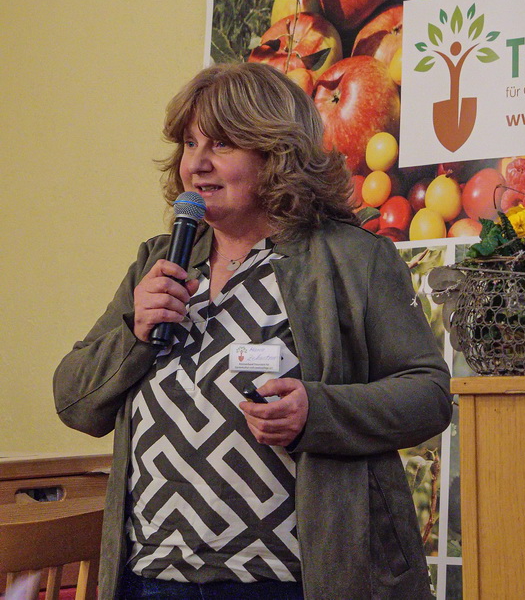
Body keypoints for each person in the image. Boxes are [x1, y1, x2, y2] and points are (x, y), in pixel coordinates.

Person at [53, 62, 452, 599]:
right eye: (190, 144)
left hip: (290, 582)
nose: (196, 164)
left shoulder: (353, 259)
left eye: (221, 144)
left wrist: (318, 411)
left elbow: (428, 395)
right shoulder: (159, 262)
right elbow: (74, 401)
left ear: (276, 153)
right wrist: (135, 331)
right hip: (152, 579)